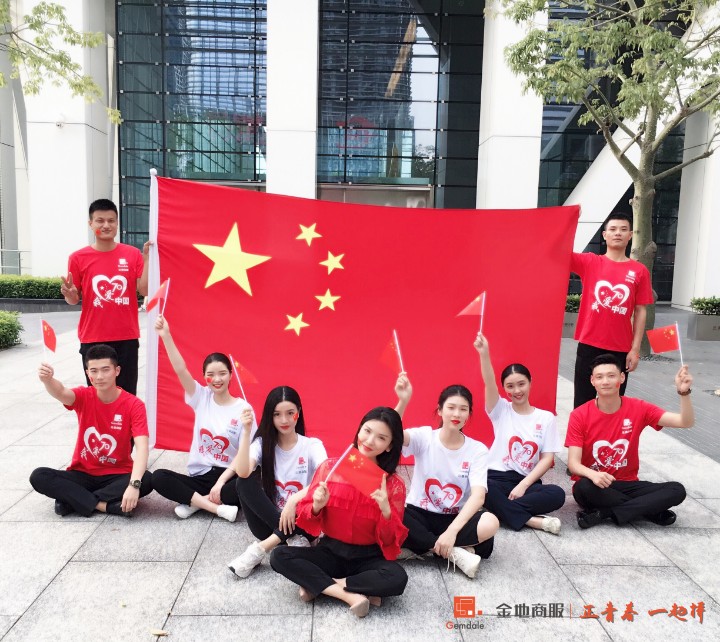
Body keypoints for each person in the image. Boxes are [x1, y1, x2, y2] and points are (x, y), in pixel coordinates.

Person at [270, 407, 409, 618]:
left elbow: (391, 541)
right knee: (279, 556)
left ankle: (322, 585)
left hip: (368, 557)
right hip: (331, 551)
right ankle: (351, 595)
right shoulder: (330, 468)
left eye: (381, 438)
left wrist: (386, 512)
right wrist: (317, 505)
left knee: (397, 577)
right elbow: (307, 517)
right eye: (367, 431)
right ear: (359, 430)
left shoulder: (393, 484)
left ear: (390, 445)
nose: (370, 441)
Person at [566, 354, 694, 528]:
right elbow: (573, 464)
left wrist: (684, 393)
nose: (605, 381)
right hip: (596, 484)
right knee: (583, 487)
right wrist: (593, 474)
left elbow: (685, 422)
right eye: (599, 377)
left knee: (676, 490)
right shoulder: (579, 415)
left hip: (628, 484)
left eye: (611, 376)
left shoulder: (639, 407)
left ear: (622, 377)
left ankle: (606, 513)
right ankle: (650, 510)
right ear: (592, 381)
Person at [150, 315, 257, 522]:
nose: (217, 379)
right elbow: (180, 369)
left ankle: (195, 503)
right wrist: (166, 335)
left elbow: (248, 453)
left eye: (222, 373)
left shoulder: (243, 409)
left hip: (228, 475)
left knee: (245, 487)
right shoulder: (201, 397)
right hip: (200, 475)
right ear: (204, 377)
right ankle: (215, 508)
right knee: (158, 477)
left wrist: (221, 482)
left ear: (231, 375)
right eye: (211, 374)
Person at [394, 377, 499, 579]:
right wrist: (403, 401)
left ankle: (420, 548)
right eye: (451, 407)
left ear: (469, 414)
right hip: (418, 514)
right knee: (393, 514)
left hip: (454, 517)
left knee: (490, 522)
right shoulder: (425, 437)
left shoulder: (477, 450)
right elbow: (392, 433)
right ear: (440, 410)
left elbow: (478, 497)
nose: (457, 414)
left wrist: (451, 531)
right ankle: (453, 553)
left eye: (463, 409)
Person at [29, 344, 152, 517]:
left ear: (117, 371)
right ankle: (105, 506)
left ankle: (72, 501)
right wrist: (48, 380)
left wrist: (134, 485)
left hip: (117, 473)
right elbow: (61, 392)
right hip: (82, 474)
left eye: (105, 370)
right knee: (39, 476)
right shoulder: (83, 396)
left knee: (147, 479)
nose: (99, 376)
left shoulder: (134, 404)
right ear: (88, 373)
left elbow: (142, 448)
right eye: (94, 371)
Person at [227, 386, 327, 578]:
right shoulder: (262, 444)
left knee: (319, 492)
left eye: (290, 413)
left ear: (299, 412)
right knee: (243, 482)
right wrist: (246, 432)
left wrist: (293, 501)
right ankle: (292, 537)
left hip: (304, 523)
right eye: (277, 414)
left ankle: (259, 550)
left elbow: (326, 477)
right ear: (270, 416)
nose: (284, 420)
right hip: (270, 523)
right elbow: (243, 471)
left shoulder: (312, 445)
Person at [475, 332, 565, 534]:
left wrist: (523, 485)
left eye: (521, 384)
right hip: (495, 478)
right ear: (504, 388)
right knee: (482, 487)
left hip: (526, 479)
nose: (516, 390)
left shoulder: (546, 418)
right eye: (510, 386)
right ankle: (533, 521)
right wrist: (484, 354)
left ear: (530, 382)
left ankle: (498, 509)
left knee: (557, 494)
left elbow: (547, 458)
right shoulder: (500, 410)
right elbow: (489, 381)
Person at [61, 199, 150, 396]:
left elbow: (144, 290)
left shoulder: (132, 255)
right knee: (97, 396)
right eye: (100, 221)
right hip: (93, 337)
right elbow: (73, 299)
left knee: (126, 395)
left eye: (111, 220)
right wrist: (70, 294)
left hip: (126, 337)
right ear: (90, 223)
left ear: (117, 223)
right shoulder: (78, 258)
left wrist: (147, 259)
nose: (106, 225)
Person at [570, 212, 654, 408]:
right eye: (613, 229)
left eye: (623, 230)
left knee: (613, 405)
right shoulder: (590, 262)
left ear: (630, 235)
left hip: (620, 348)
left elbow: (641, 310)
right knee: (583, 403)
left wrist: (635, 349)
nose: (618, 233)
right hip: (589, 343)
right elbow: (559, 252)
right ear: (604, 235)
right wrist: (570, 220)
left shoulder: (639, 271)